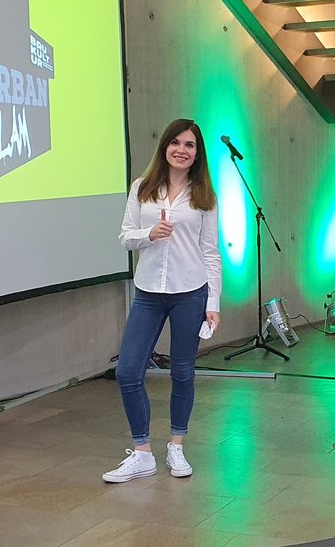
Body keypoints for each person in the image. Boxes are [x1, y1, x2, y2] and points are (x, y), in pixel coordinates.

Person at [104, 118, 222, 483]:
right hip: (148, 292)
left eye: (189, 145)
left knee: (182, 372)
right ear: (164, 147)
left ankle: (176, 445)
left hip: (191, 292)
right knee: (128, 371)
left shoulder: (204, 196)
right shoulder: (142, 188)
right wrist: (149, 233)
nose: (181, 150)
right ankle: (142, 453)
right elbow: (125, 237)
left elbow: (211, 251)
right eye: (175, 143)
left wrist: (213, 301)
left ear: (197, 153)